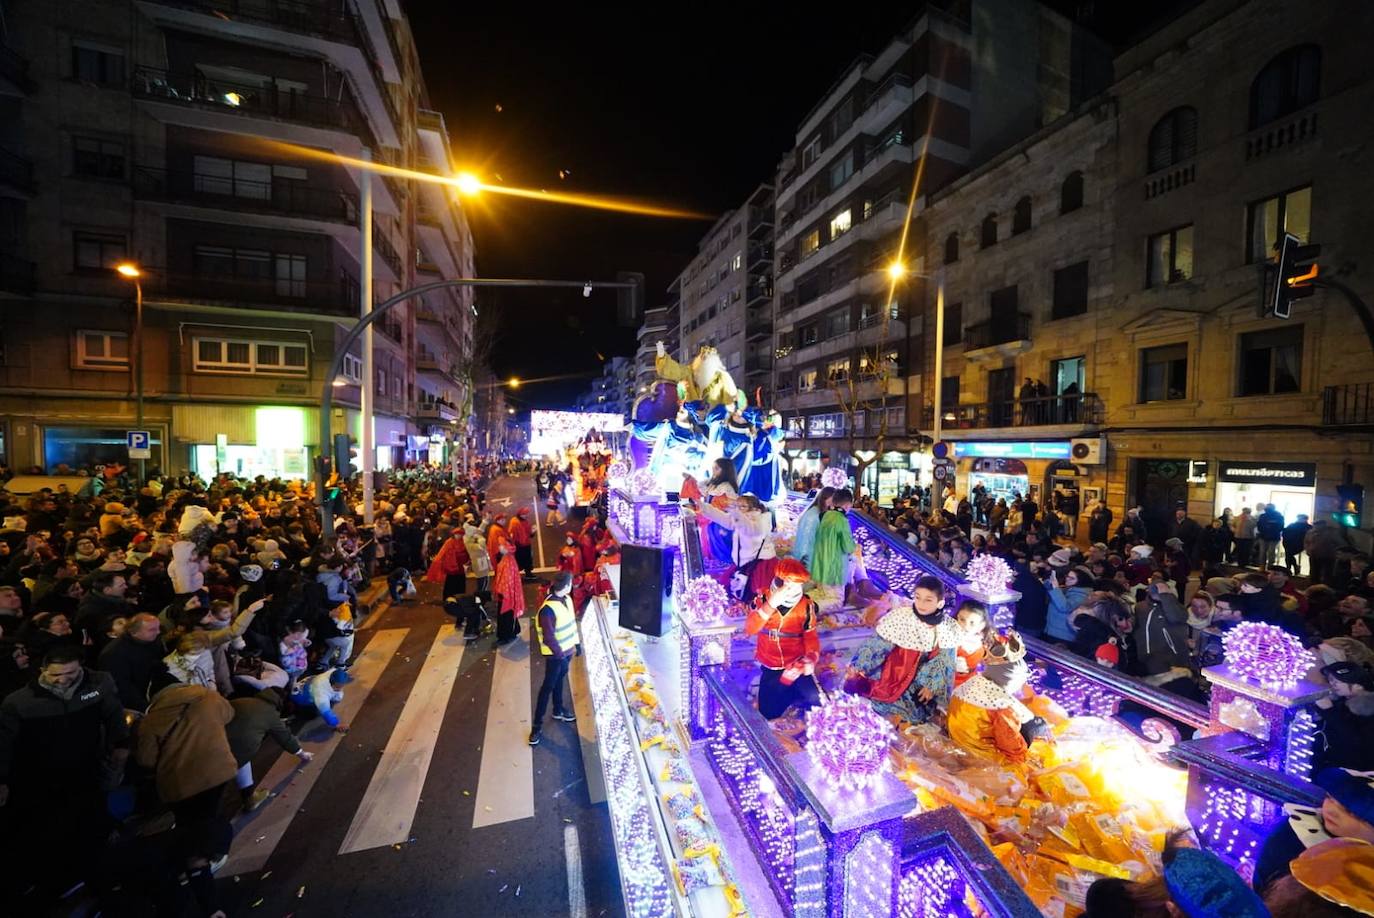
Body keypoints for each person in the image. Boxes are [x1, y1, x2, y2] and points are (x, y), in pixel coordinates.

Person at [0, 645, 131, 900]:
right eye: (55, 675)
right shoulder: (19, 703)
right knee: (53, 832)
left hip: (86, 771)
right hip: (42, 779)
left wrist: (121, 745)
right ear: (42, 671)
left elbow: (114, 715)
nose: (63, 680)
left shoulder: (96, 687)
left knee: (91, 826)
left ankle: (96, 877)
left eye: (70, 673)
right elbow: (4, 744)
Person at [846, 575, 959, 725]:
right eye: (918, 597)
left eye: (928, 600)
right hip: (893, 672)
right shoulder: (902, 617)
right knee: (878, 704)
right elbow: (877, 645)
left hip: (921, 677)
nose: (921, 604)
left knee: (917, 713)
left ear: (940, 603)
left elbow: (945, 660)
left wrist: (931, 684)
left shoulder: (947, 627)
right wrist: (860, 666)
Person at [743, 559, 821, 719]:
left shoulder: (807, 605)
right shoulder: (762, 599)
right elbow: (750, 628)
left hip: (796, 661)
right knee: (768, 711)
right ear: (779, 582)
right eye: (789, 584)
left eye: (798, 585)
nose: (793, 590)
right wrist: (770, 605)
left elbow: (810, 635)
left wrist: (811, 658)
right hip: (770, 662)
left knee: (814, 698)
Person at [227, 687, 312, 812]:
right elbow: (285, 738)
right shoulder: (270, 714)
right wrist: (302, 754)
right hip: (238, 750)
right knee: (242, 755)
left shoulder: (240, 701)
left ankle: (249, 798)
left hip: (215, 741)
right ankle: (249, 799)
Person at [528, 571, 579, 746]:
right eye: (570, 583)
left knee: (559, 681)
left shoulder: (567, 600)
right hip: (557, 656)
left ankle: (558, 709)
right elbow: (549, 638)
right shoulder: (547, 610)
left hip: (566, 652)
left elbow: (571, 624)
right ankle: (536, 727)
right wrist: (561, 656)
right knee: (547, 688)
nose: (571, 586)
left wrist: (576, 644)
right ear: (565, 586)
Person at [1312, 662, 1374, 772]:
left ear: (1357, 684)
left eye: (1337, 681)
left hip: (1357, 770)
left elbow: (1356, 741)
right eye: (1331, 680)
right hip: (1337, 765)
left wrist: (1329, 711)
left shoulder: (1368, 707)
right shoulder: (1342, 701)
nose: (1333, 684)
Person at [98, 611, 163, 710]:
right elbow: (122, 687)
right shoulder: (114, 653)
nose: (158, 632)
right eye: (152, 629)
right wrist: (147, 708)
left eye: (158, 628)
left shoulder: (152, 640)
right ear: (134, 632)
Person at [789, 486, 834, 567]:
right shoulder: (813, 515)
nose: (833, 505)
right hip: (807, 562)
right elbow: (805, 542)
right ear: (824, 498)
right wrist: (805, 563)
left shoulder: (816, 512)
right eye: (831, 501)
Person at [492, 537, 524, 644]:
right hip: (506, 593)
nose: (499, 547)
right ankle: (512, 631)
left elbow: (507, 580)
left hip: (506, 594)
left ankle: (506, 635)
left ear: (506, 547)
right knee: (507, 614)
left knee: (505, 615)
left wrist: (501, 591)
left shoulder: (508, 561)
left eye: (501, 545)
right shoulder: (507, 558)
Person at [509, 507, 536, 580]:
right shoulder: (515, 522)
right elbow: (513, 535)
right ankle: (522, 575)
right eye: (524, 514)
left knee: (526, 559)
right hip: (520, 545)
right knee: (521, 560)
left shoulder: (519, 521)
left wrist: (532, 532)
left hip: (525, 543)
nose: (526, 515)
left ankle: (526, 573)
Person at [1257, 502, 1286, 569]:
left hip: (1271, 537)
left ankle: (1268, 567)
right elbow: (1259, 525)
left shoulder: (1278, 516)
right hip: (1268, 536)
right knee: (1265, 552)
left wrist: (1266, 529)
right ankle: (1264, 566)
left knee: (1268, 552)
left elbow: (1280, 526)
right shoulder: (1264, 516)